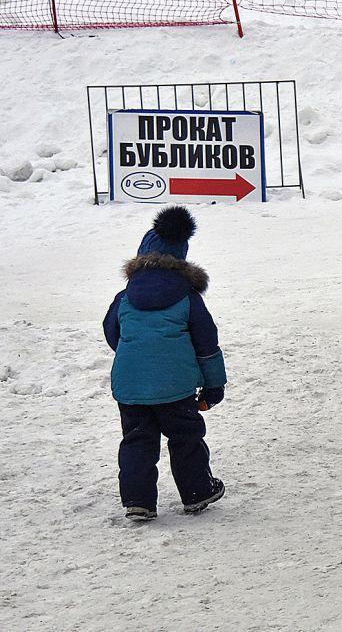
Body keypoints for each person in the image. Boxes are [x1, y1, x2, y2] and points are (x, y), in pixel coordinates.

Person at [103, 206, 227, 521]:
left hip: (131, 386)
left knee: (137, 440)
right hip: (176, 386)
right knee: (185, 438)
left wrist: (136, 355)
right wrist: (213, 386)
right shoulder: (187, 297)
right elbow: (206, 343)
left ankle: (138, 500)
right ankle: (198, 492)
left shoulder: (125, 297)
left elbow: (111, 332)